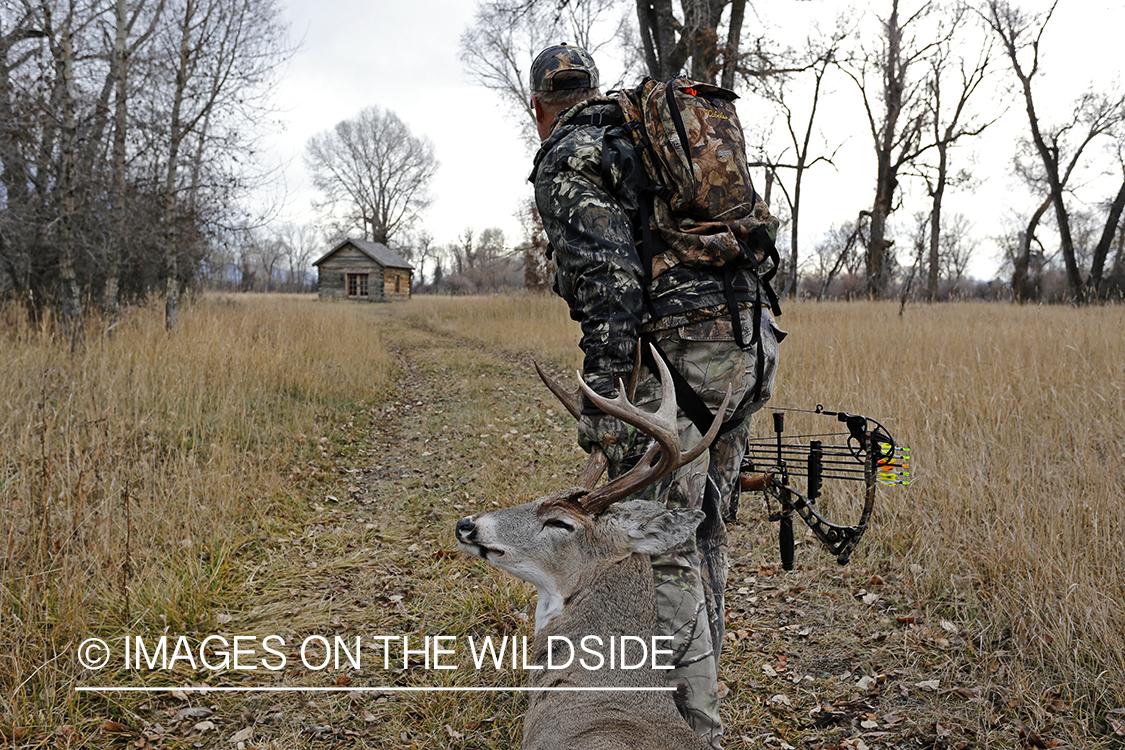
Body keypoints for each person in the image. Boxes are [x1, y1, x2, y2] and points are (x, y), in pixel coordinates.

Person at [528, 43, 784, 749]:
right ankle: (697, 708)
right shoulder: (643, 135)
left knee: (663, 553)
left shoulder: (568, 155)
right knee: (702, 532)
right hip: (749, 341)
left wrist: (605, 398)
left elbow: (607, 284)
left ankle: (689, 732)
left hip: (682, 361)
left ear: (537, 108)